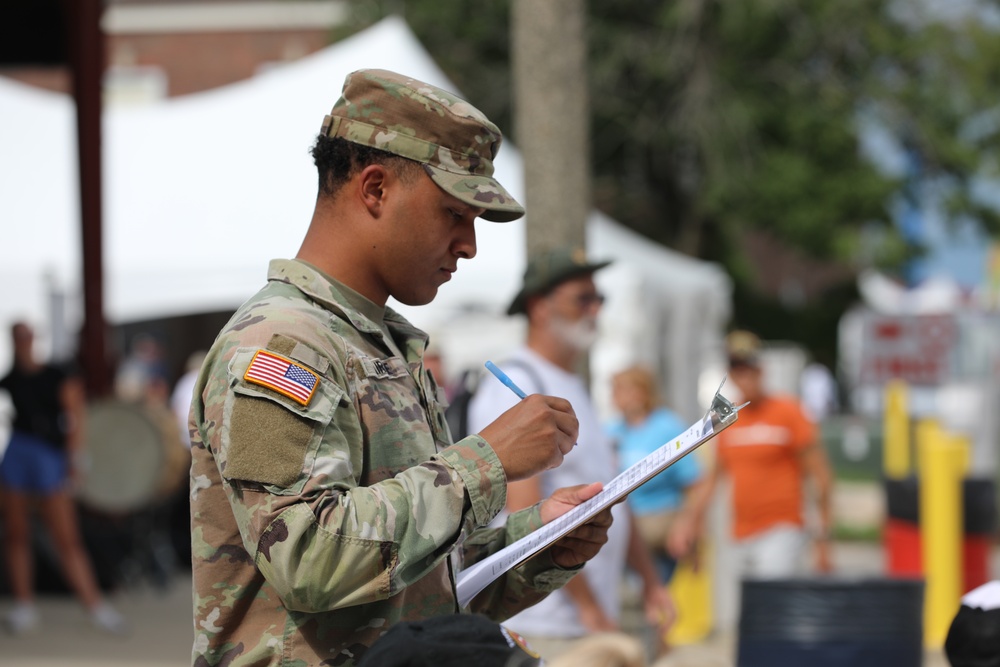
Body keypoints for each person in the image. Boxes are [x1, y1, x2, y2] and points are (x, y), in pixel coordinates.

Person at [189, 69, 617, 667]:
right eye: (453, 214)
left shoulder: (380, 346)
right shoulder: (283, 345)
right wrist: (486, 461)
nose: (468, 245)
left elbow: (416, 594)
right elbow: (311, 559)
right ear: (375, 189)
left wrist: (539, 543)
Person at [466, 248, 674, 661]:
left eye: (600, 299)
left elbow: (611, 494)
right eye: (583, 298)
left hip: (584, 617)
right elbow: (529, 517)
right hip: (546, 620)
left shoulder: (571, 384)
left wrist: (650, 582)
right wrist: (591, 612)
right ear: (540, 307)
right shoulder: (516, 388)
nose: (596, 309)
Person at [0, 322, 126, 635]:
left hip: (49, 456)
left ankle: (94, 605)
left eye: (27, 336)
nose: (24, 342)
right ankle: (24, 605)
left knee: (66, 537)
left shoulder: (57, 374)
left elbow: (76, 418)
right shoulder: (10, 379)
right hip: (18, 451)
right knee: (16, 533)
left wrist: (75, 460)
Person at [678, 330, 833, 579]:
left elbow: (821, 477)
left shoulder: (789, 411)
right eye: (737, 370)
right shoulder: (727, 420)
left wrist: (823, 538)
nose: (744, 376)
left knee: (771, 601)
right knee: (746, 611)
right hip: (740, 531)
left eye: (749, 368)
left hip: (782, 526)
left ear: (761, 370)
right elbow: (713, 478)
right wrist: (692, 523)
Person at [606, 365, 703, 585]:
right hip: (623, 532)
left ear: (640, 392)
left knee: (652, 597)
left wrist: (686, 527)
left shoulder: (667, 427)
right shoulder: (612, 430)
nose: (614, 397)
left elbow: (694, 483)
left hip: (659, 532)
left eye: (619, 390)